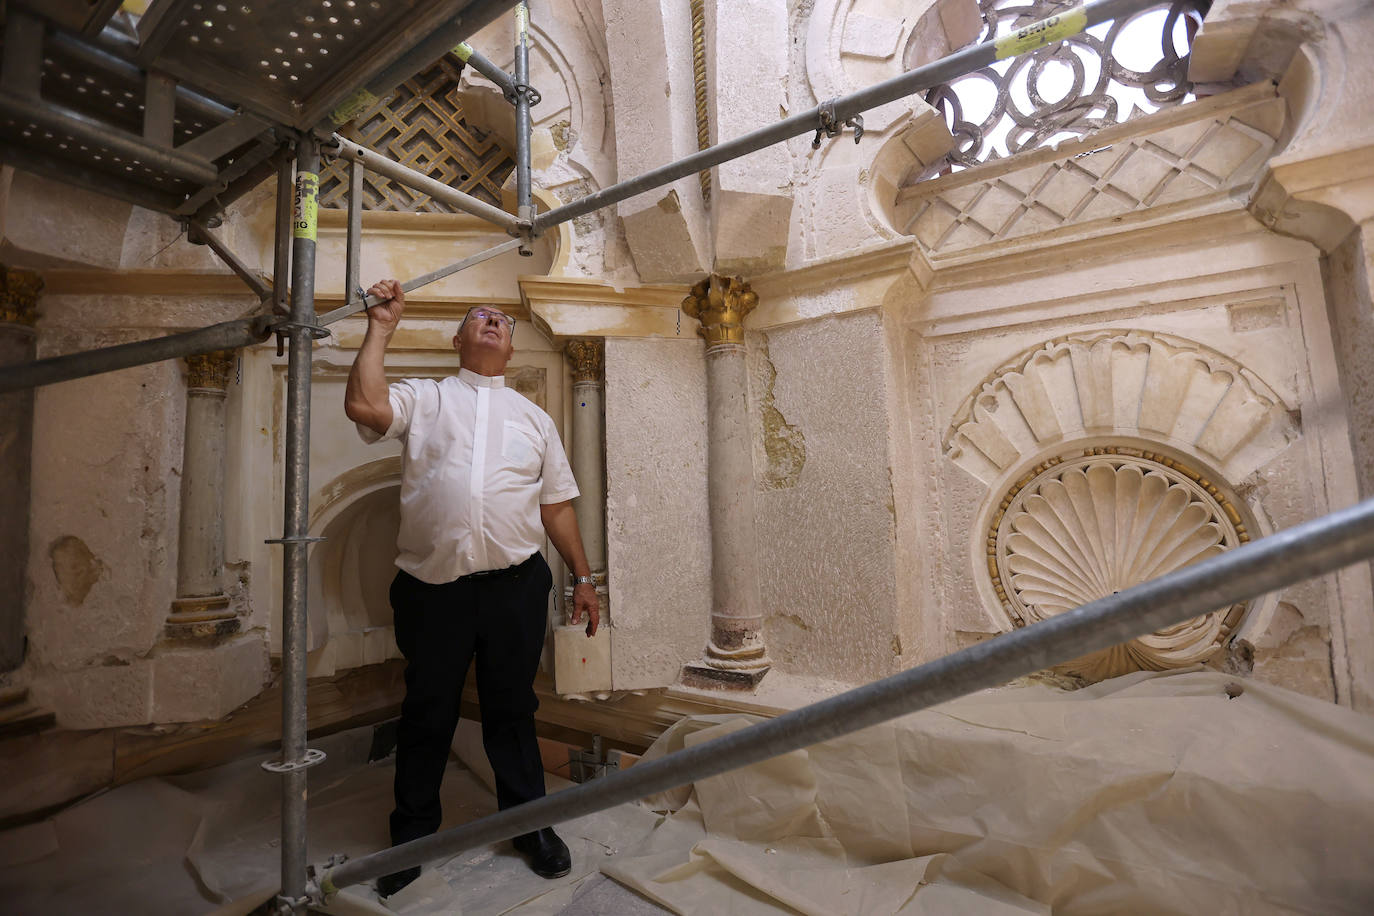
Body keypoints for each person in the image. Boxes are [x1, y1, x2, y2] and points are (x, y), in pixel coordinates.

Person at [344, 278, 600, 898]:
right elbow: (365, 408)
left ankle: (529, 827)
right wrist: (380, 327)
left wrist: (584, 579)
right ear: (457, 339)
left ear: (510, 346)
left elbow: (557, 506)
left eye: (502, 320)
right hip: (433, 591)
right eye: (479, 316)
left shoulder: (535, 419)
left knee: (512, 711)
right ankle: (412, 837)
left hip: (516, 587)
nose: (492, 320)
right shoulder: (426, 398)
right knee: (427, 711)